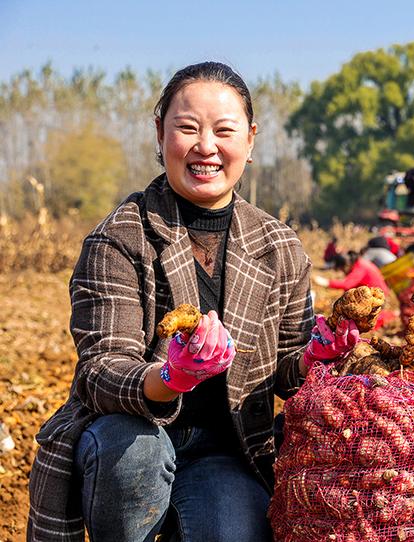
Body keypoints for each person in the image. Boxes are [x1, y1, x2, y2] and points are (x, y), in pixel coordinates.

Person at [27, 62, 359, 542]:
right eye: (187, 128)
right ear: (160, 134)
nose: (206, 146)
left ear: (250, 139)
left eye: (224, 130)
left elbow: (285, 369)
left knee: (232, 529)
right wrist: (170, 377)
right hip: (132, 434)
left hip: (227, 448)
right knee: (134, 453)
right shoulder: (121, 237)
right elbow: (100, 370)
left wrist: (314, 356)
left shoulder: (278, 244)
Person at [313, 250, 396, 329]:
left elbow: (347, 284)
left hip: (377, 297)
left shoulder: (360, 267)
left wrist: (327, 282)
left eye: (342, 269)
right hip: (370, 295)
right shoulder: (359, 263)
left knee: (365, 324)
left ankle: (391, 316)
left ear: (346, 265)